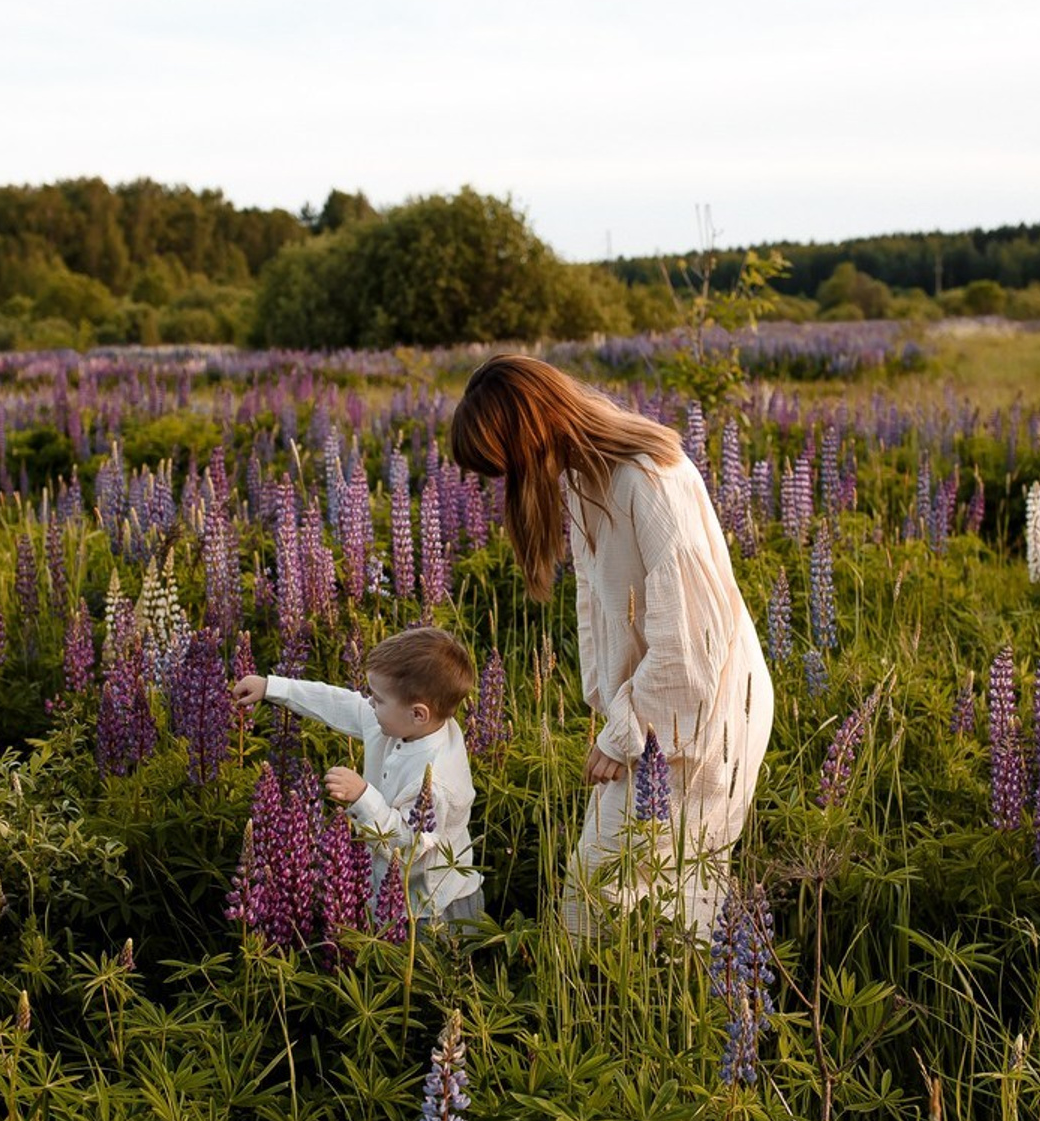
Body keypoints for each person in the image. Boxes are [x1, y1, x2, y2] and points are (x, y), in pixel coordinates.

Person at [451, 354, 773, 938]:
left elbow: (693, 641)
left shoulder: (647, 478)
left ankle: (660, 1014)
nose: (510, 482)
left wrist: (626, 729)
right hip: (657, 706)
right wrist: (611, 710)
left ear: (531, 432)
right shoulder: (582, 476)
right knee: (651, 893)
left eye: (505, 464)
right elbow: (604, 612)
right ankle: (660, 1013)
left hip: (709, 706)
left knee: (613, 890)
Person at [232, 626, 484, 929]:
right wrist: (272, 687)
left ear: (418, 713)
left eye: (377, 699)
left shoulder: (438, 781)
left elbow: (409, 847)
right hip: (392, 899)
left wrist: (364, 797)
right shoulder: (403, 722)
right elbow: (342, 704)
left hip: (434, 911)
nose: (369, 705)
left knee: (432, 976)